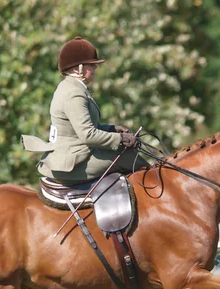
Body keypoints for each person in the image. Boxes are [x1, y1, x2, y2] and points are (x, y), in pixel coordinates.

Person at [21, 36, 146, 185]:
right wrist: (120, 139)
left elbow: (84, 127)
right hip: (74, 162)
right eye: (91, 65)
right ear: (78, 68)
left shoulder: (72, 87)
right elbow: (88, 135)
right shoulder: (74, 94)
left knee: (126, 155)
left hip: (76, 152)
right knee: (130, 159)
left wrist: (112, 129)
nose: (95, 68)